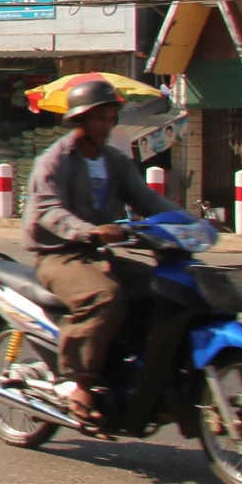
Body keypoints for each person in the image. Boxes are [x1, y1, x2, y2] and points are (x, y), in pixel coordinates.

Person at [23, 78, 178, 427]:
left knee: (162, 290)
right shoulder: (55, 160)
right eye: (100, 118)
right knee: (103, 296)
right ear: (80, 119)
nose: (107, 125)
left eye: (111, 118)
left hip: (100, 252)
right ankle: (77, 381)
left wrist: (185, 222)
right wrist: (89, 231)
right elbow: (49, 210)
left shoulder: (113, 161)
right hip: (60, 254)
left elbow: (146, 198)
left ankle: (132, 372)